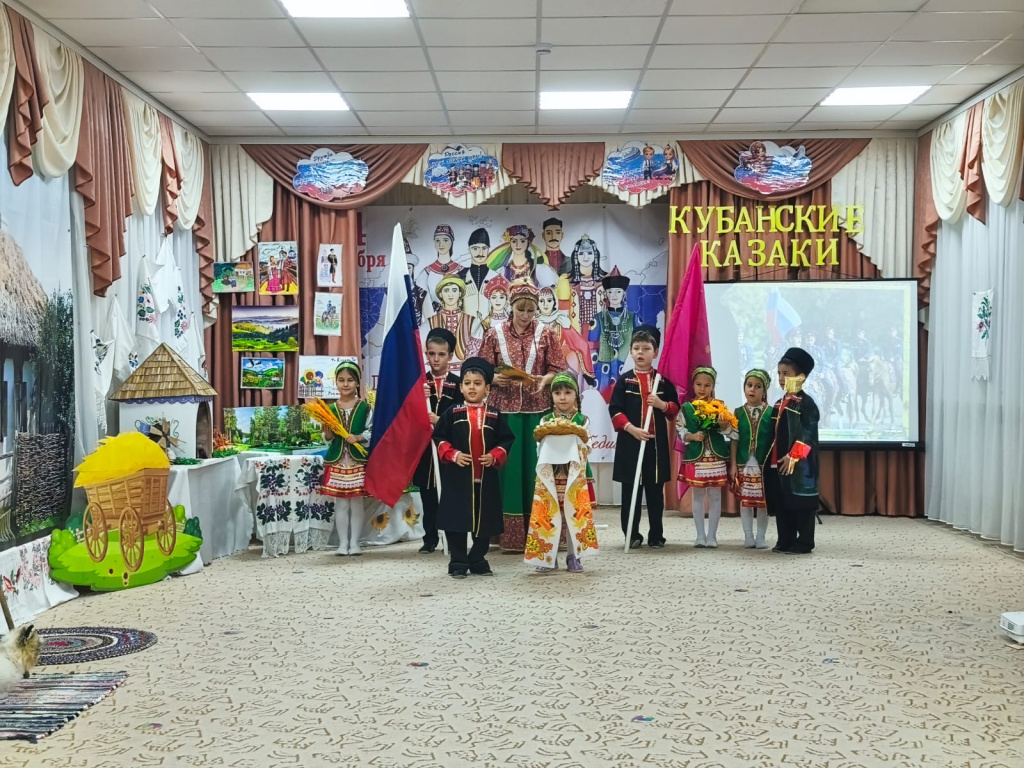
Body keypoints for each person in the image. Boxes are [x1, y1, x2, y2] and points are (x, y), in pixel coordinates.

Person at [479, 283, 567, 551]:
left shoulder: (546, 333)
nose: (526, 315)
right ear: (511, 306)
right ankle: (505, 534)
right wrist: (494, 379)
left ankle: (541, 529)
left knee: (536, 469)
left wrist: (545, 380)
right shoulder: (494, 333)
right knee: (507, 471)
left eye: (531, 310)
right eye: (521, 309)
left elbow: (557, 367)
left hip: (536, 409)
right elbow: (481, 369)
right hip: (504, 412)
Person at [433, 357, 514, 579]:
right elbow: (439, 436)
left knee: (484, 521)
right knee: (456, 520)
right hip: (458, 478)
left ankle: (478, 559)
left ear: (487, 388)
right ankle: (458, 561)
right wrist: (453, 454)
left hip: (485, 478)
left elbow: (506, 439)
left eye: (477, 383)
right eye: (467, 383)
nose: (472, 387)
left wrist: (495, 455)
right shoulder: (452, 412)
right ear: (461, 387)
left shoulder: (494, 414)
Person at [609, 325, 679, 549]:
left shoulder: (663, 382)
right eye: (637, 348)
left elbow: (674, 409)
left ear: (655, 353)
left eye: (646, 348)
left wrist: (661, 404)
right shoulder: (624, 381)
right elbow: (615, 410)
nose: (641, 352)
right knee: (631, 491)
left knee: (655, 492)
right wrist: (632, 429)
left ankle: (656, 535)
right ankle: (631, 534)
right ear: (630, 352)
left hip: (655, 446)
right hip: (631, 443)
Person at [525, 373, 598, 573]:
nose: (562, 397)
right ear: (552, 396)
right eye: (557, 393)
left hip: (574, 475)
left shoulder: (582, 420)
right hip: (551, 475)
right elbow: (539, 445)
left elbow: (586, 444)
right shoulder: (545, 420)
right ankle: (548, 557)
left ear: (576, 395)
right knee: (548, 514)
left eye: (567, 392)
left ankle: (574, 556)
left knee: (575, 515)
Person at [764, 347, 820, 555]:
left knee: (801, 503)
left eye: (786, 374)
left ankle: (805, 542)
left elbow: (808, 435)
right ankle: (785, 539)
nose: (781, 378)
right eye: (779, 373)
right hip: (778, 462)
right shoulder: (779, 403)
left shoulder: (806, 404)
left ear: (801, 377)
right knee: (783, 502)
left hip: (800, 465)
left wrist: (793, 455)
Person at [414, 328, 463, 554]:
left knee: (450, 495)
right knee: (428, 495)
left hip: (450, 449)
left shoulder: (460, 384)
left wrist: (440, 420)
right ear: (426, 354)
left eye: (441, 354)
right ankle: (430, 538)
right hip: (425, 450)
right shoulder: (420, 383)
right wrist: (417, 399)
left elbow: (462, 415)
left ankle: (452, 537)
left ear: (450, 356)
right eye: (432, 354)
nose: (436, 359)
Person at [678, 366, 734, 549]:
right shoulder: (686, 408)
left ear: (713, 386)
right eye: (699, 384)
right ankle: (700, 535)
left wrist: (723, 425)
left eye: (707, 385)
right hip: (697, 457)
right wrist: (692, 436)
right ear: (693, 385)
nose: (702, 389)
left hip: (716, 457)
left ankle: (712, 536)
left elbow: (731, 431)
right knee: (698, 495)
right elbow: (680, 430)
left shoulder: (720, 407)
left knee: (715, 496)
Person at [320, 361, 372, 557]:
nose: (345, 384)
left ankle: (355, 542)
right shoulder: (330, 409)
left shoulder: (365, 407)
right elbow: (326, 438)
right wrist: (327, 433)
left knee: (356, 502)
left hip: (357, 460)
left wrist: (359, 437)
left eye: (350, 380)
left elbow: (373, 430)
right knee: (341, 503)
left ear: (357, 382)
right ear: (336, 383)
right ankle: (343, 543)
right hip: (338, 461)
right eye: (341, 380)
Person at [729, 369, 774, 549]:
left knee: (763, 502)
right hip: (744, 463)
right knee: (745, 501)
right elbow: (734, 440)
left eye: (757, 386)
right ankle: (748, 535)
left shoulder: (771, 412)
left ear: (764, 391)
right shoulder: (738, 412)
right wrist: (733, 464)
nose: (752, 389)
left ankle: (761, 536)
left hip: (763, 464)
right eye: (749, 385)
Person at [592, 267, 637, 400]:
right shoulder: (598, 318)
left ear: (624, 294)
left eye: (618, 291)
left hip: (626, 365)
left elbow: (641, 343)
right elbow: (592, 346)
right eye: (610, 292)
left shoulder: (633, 318)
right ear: (606, 294)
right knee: (603, 400)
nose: (614, 295)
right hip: (603, 367)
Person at [537, 286, 595, 385]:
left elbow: (579, 343)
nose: (545, 304)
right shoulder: (533, 322)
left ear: (554, 302)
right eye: (542, 301)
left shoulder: (561, 321)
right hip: (537, 364)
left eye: (549, 300)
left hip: (557, 365)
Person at [567, 235, 607, 337]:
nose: (585, 257)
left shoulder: (605, 279)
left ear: (595, 255)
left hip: (599, 329)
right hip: (576, 328)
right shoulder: (567, 280)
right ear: (575, 256)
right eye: (581, 254)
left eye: (589, 253)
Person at [427, 275, 472, 363]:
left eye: (454, 290)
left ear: (460, 293)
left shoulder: (473, 321)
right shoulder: (430, 322)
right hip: (436, 369)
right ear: (441, 294)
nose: (450, 294)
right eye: (446, 290)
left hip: (464, 369)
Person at [417, 225, 460, 314]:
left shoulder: (461, 270)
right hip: (434, 317)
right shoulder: (426, 273)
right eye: (437, 241)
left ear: (451, 241)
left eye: (445, 240)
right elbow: (423, 303)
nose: (441, 244)